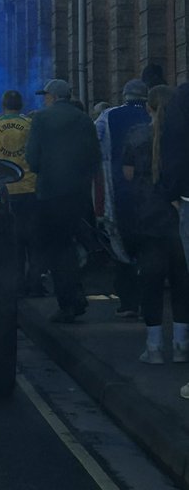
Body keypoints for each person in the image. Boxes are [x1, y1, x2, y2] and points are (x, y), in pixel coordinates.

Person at [120, 84, 189, 364]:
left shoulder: (136, 135)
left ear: (148, 106)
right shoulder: (180, 137)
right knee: (182, 281)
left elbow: (127, 176)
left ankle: (154, 347)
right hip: (178, 213)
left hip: (147, 217)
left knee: (150, 282)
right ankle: (182, 345)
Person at [25, 78, 101, 324]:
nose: (44, 99)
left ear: (54, 96)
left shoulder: (41, 119)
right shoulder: (84, 119)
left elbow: (32, 159)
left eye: (45, 95)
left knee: (57, 249)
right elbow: (94, 157)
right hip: (78, 193)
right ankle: (75, 296)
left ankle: (69, 302)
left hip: (50, 193)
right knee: (69, 244)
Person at [96, 79, 151, 319]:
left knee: (122, 247)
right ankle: (150, 302)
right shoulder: (156, 116)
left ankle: (128, 302)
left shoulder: (108, 116)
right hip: (153, 194)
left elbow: (94, 145)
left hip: (117, 190)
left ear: (124, 95)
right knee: (151, 248)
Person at [0, 90, 41, 295]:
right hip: (31, 188)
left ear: (3, 104)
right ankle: (35, 283)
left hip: (6, 191)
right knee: (33, 240)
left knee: (13, 242)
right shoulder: (30, 126)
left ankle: (16, 285)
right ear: (21, 104)